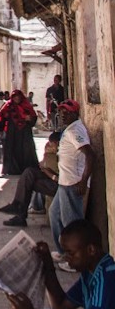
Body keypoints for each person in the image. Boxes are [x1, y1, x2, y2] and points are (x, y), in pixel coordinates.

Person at [48, 100, 93, 258]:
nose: (62, 115)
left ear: (75, 113)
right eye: (61, 112)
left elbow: (89, 154)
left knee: (71, 224)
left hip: (72, 183)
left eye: (66, 112)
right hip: (64, 183)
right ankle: (64, 252)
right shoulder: (70, 129)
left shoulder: (75, 131)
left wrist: (83, 181)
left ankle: (76, 259)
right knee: (54, 214)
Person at [0, 131, 61, 227]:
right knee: (29, 172)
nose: (52, 148)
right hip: (54, 178)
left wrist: (47, 172)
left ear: (57, 143)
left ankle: (20, 214)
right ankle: (17, 207)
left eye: (53, 145)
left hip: (60, 186)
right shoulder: (59, 152)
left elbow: (61, 180)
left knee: (28, 183)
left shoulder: (67, 155)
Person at [0, 89, 38, 175]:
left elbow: (33, 117)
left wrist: (29, 118)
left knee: (25, 149)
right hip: (12, 132)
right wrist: (1, 127)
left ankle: (26, 168)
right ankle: (13, 169)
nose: (17, 99)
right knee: (12, 149)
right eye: (15, 97)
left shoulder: (26, 105)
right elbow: (1, 116)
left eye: (18, 97)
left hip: (25, 132)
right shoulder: (8, 105)